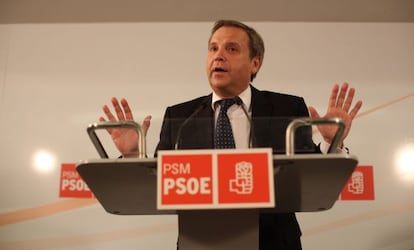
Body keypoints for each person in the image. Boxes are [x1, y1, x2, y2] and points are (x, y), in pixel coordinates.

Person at [100, 20, 362, 250]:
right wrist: (133, 154)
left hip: (274, 242)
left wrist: (332, 141)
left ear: (255, 63)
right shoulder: (180, 116)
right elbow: (160, 183)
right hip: (201, 243)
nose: (218, 56)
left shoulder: (287, 109)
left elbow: (309, 176)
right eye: (213, 48)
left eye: (231, 49)